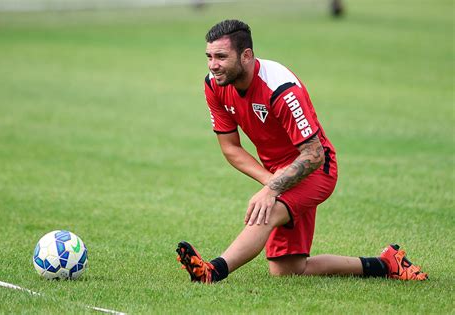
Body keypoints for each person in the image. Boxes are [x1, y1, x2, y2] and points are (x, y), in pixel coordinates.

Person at [176, 19, 427, 283]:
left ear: (246, 55)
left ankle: (213, 271)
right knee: (288, 269)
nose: (213, 65)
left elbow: (314, 154)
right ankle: (386, 264)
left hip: (316, 169)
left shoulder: (281, 88)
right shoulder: (214, 84)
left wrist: (272, 190)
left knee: (267, 211)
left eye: (221, 57)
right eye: (209, 57)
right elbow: (230, 148)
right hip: (279, 174)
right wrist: (271, 182)